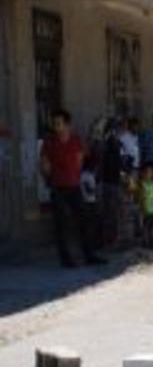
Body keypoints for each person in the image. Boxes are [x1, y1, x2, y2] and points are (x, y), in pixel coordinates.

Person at [40, 109, 106, 267]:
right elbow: (44, 165)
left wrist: (75, 174)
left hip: (74, 186)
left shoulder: (76, 140)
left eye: (59, 123)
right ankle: (66, 260)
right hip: (58, 187)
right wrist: (50, 178)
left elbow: (81, 160)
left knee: (84, 220)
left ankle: (89, 255)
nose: (56, 127)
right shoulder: (49, 142)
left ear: (67, 125)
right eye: (54, 124)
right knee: (61, 224)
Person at [100, 118, 124, 247]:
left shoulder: (112, 142)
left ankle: (111, 239)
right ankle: (110, 241)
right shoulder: (109, 142)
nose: (118, 131)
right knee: (111, 213)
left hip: (112, 180)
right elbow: (111, 162)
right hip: (110, 181)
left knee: (112, 212)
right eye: (116, 128)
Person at [80, 154, 100, 254]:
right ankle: (91, 245)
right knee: (90, 225)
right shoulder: (86, 176)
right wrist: (95, 191)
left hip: (89, 201)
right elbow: (89, 190)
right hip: (88, 202)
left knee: (91, 225)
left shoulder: (86, 175)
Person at [138, 163, 153, 249]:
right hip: (144, 210)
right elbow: (139, 196)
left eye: (150, 172)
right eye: (146, 172)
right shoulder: (141, 184)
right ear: (142, 173)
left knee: (152, 227)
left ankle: (152, 242)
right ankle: (145, 242)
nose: (148, 174)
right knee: (145, 227)